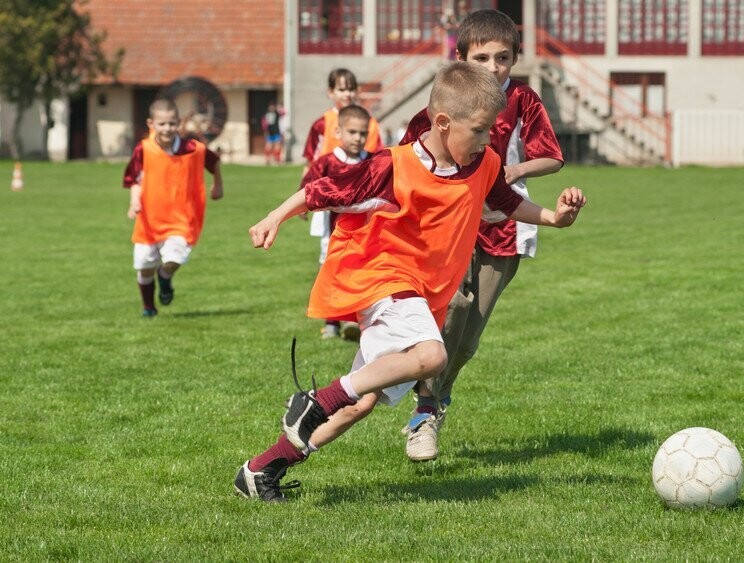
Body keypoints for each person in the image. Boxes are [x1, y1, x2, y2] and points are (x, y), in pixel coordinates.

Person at [233, 62, 586, 502]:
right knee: (431, 355)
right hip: (382, 276)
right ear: (442, 122)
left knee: (361, 403)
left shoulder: (485, 163)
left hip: (420, 297)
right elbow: (325, 190)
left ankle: (261, 469)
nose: (485, 140)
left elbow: (506, 202)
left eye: (490, 131)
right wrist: (273, 217)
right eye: (478, 131)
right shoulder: (393, 165)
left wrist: (555, 217)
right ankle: (315, 402)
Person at [399, 9, 566, 461]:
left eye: (502, 58)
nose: (493, 68)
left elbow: (552, 156)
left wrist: (510, 170)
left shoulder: (525, 100)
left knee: (469, 338)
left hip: (506, 221)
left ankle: (436, 399)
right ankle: (424, 407)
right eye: (482, 58)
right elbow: (407, 160)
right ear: (460, 58)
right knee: (453, 305)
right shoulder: (442, 103)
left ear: (514, 58)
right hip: (451, 221)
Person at [123, 98, 224, 317]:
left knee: (174, 260)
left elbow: (214, 161)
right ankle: (149, 307)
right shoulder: (144, 149)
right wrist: (134, 201)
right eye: (162, 124)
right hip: (149, 219)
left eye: (171, 123)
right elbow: (134, 179)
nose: (167, 128)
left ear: (178, 123)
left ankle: (166, 276)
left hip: (182, 218)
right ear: (151, 124)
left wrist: (218, 185)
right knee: (144, 266)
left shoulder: (193, 149)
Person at [302, 104, 375, 340]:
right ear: (338, 133)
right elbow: (308, 187)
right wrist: (301, 209)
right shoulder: (327, 162)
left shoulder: (374, 161)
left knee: (362, 273)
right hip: (334, 229)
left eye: (363, 133)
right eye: (352, 132)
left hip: (367, 230)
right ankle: (331, 322)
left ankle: (357, 321)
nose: (358, 138)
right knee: (333, 271)